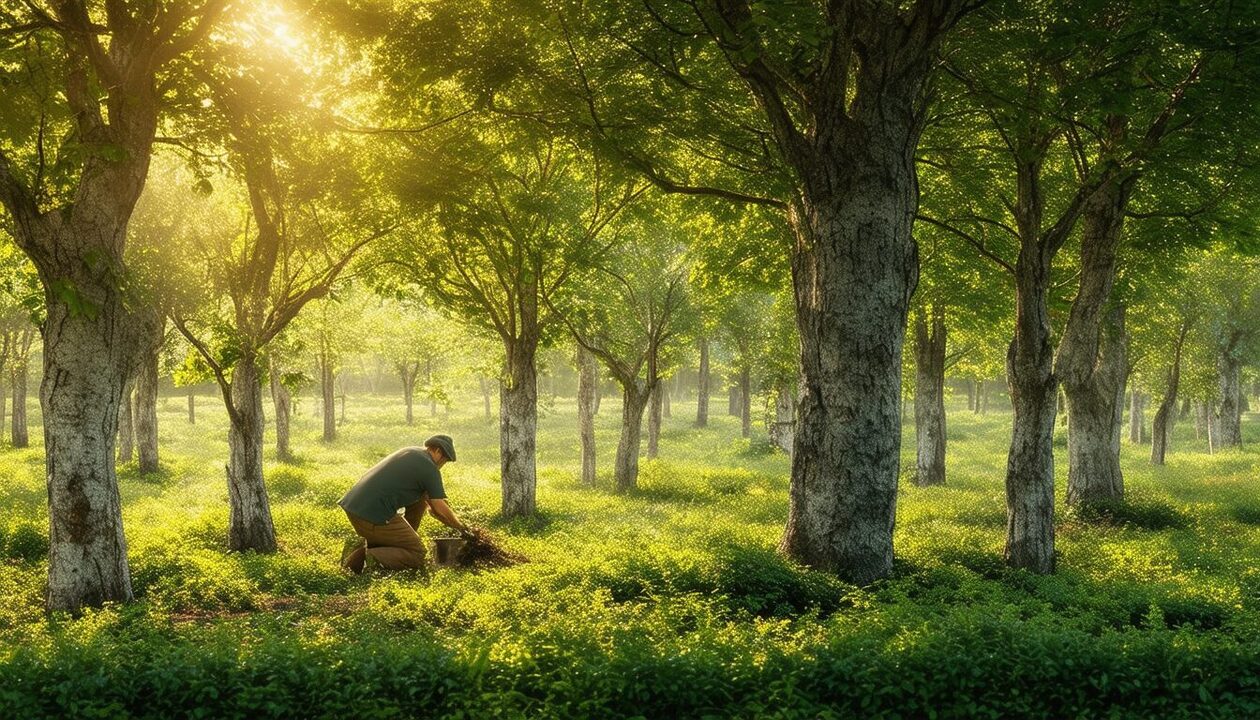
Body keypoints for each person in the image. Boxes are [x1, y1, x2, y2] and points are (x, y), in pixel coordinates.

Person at [338, 434, 474, 574]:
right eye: (444, 460)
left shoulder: (412, 452)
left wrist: (451, 520)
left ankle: (393, 545)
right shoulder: (429, 467)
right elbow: (439, 507)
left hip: (355, 507)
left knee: (420, 501)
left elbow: (433, 506)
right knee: (417, 554)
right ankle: (364, 557)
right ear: (438, 451)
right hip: (374, 515)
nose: (442, 465)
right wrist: (463, 529)